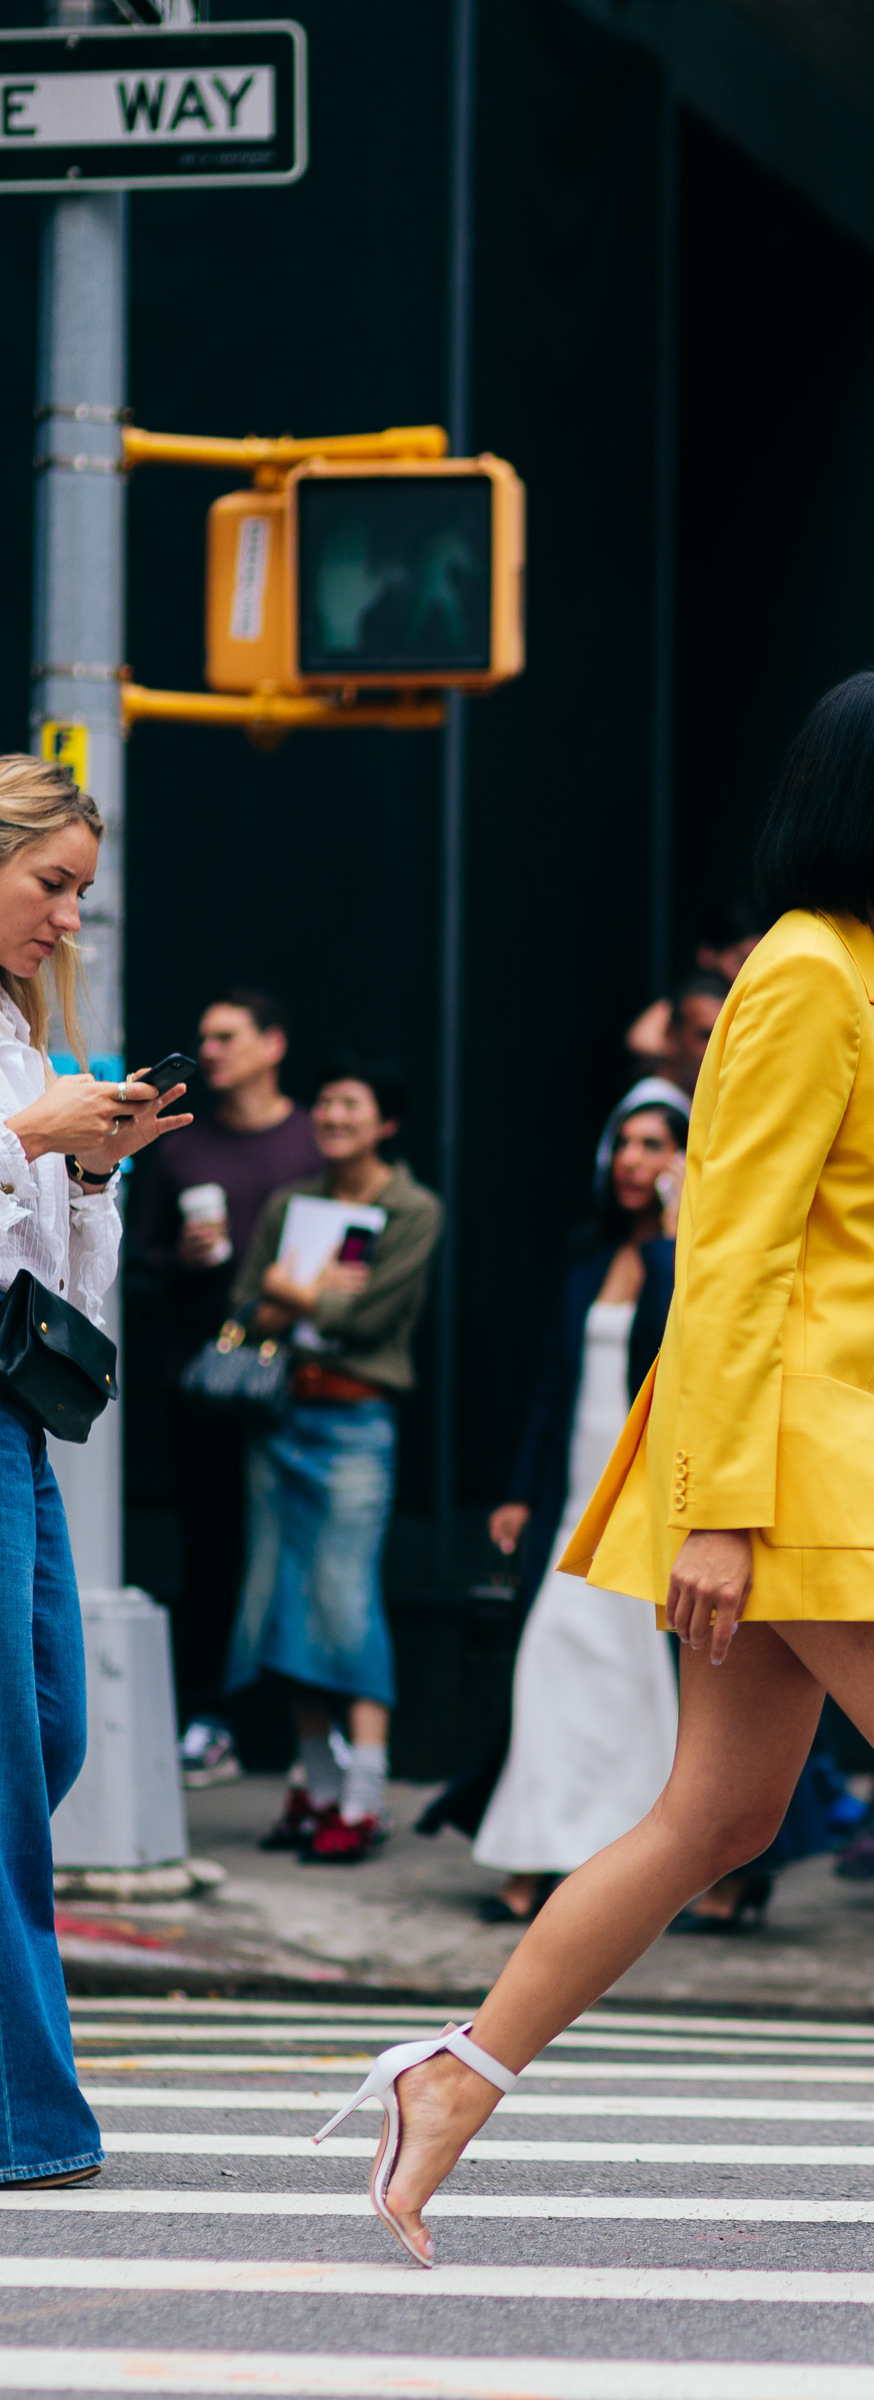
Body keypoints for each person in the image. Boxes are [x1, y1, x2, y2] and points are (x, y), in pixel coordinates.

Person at [312, 668, 874, 2287]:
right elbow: (726, 1264)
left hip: (841, 1463)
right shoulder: (804, 979)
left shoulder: (871, 973)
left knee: (719, 1813)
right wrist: (719, 1508)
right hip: (796, 1476)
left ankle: (452, 2079)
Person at [0, 754, 192, 2188]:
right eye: (50, 884)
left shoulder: (16, 1032)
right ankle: (27, 2125)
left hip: (16, 1414)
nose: (70, 918)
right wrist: (27, 1140)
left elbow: (56, 1278)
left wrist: (85, 1170)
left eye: (78, 891)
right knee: (9, 1765)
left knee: (51, 1731)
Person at [470, 1082, 686, 1923]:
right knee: (552, 1660)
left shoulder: (693, 1257)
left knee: (640, 1681)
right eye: (625, 1144)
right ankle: (538, 1851)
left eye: (655, 1146)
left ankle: (628, 1870)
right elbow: (553, 1385)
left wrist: (674, 1235)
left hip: (653, 1500)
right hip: (576, 1497)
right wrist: (521, 1490)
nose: (635, 1161)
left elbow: (686, 1343)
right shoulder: (586, 1253)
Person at [223, 1054, 443, 1862]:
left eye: (351, 1104)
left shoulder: (413, 1208)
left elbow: (371, 1319)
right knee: (279, 1600)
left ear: (385, 1121)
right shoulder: (292, 1201)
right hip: (282, 1416)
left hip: (356, 1424)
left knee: (346, 1599)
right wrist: (299, 1298)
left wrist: (297, 1293)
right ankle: (317, 1786)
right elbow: (249, 1299)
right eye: (324, 1103)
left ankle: (366, 1791)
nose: (333, 1116)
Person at [130, 988, 321, 1785]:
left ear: (273, 1044)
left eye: (227, 1036)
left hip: (302, 1378)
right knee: (210, 1549)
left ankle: (306, 1733)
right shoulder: (181, 1149)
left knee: (304, 1550)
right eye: (203, 1038)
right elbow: (136, 1265)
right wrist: (188, 1259)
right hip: (201, 1377)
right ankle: (210, 1718)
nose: (209, 1051)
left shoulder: (316, 1141)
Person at [623, 970, 731, 1099]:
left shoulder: (686, 1100)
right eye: (706, 1036)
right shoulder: (655, 1112)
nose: (718, 1048)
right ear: (671, 1036)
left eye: (725, 1037)